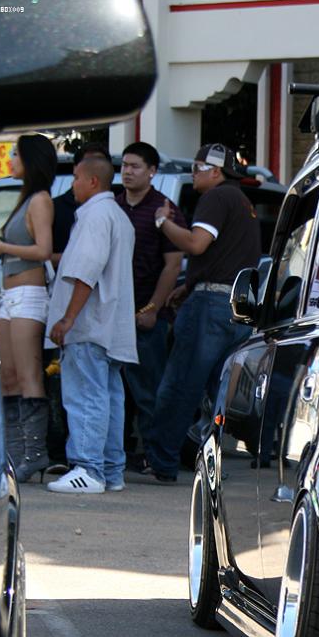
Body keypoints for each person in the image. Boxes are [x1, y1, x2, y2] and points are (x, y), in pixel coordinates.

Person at [142, 143, 260, 482]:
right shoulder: (241, 202)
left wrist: (163, 221)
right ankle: (206, 460)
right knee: (217, 394)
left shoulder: (216, 198)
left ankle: (162, 461)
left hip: (211, 308)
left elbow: (196, 244)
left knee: (180, 385)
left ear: (215, 172)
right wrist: (190, 285)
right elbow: (221, 258)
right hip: (238, 308)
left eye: (197, 168)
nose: (193, 174)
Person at [45, 157, 137, 494]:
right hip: (111, 325)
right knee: (109, 397)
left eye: (76, 178)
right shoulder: (118, 216)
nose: (73, 185)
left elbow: (87, 270)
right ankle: (111, 471)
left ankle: (88, 469)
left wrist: (68, 317)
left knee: (85, 396)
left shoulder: (95, 216)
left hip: (90, 322)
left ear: (93, 182)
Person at [0, 134, 56, 482]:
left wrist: (0, 246)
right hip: (7, 296)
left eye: (14, 154)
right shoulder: (21, 198)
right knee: (6, 377)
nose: (9, 159)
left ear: (30, 159)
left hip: (28, 294)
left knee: (28, 376)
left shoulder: (39, 200)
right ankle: (11, 454)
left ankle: (34, 455)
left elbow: (43, 250)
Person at [115, 142, 185, 463]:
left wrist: (153, 309)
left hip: (147, 317)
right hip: (114, 315)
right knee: (118, 392)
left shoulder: (164, 210)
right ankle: (122, 454)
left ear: (152, 172)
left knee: (149, 392)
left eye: (135, 166)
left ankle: (156, 460)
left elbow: (173, 264)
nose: (127, 171)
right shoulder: (114, 207)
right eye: (125, 166)